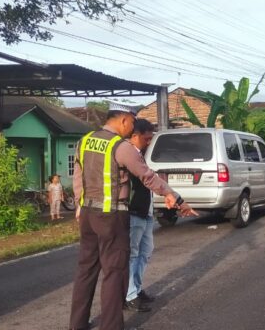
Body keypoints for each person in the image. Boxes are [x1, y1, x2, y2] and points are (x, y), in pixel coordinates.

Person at [69, 110, 197, 330]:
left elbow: (78, 176)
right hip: (112, 216)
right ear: (123, 120)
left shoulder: (84, 141)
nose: (132, 130)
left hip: (88, 215)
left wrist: (80, 204)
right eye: (132, 124)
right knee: (114, 272)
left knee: (86, 271)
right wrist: (172, 195)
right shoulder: (120, 146)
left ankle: (77, 325)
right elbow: (146, 176)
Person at [125, 119, 157, 313]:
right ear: (134, 136)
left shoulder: (139, 154)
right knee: (133, 253)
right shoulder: (127, 155)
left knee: (145, 252)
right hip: (134, 211)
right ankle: (129, 295)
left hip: (146, 211)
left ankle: (136, 289)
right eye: (146, 139)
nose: (148, 143)